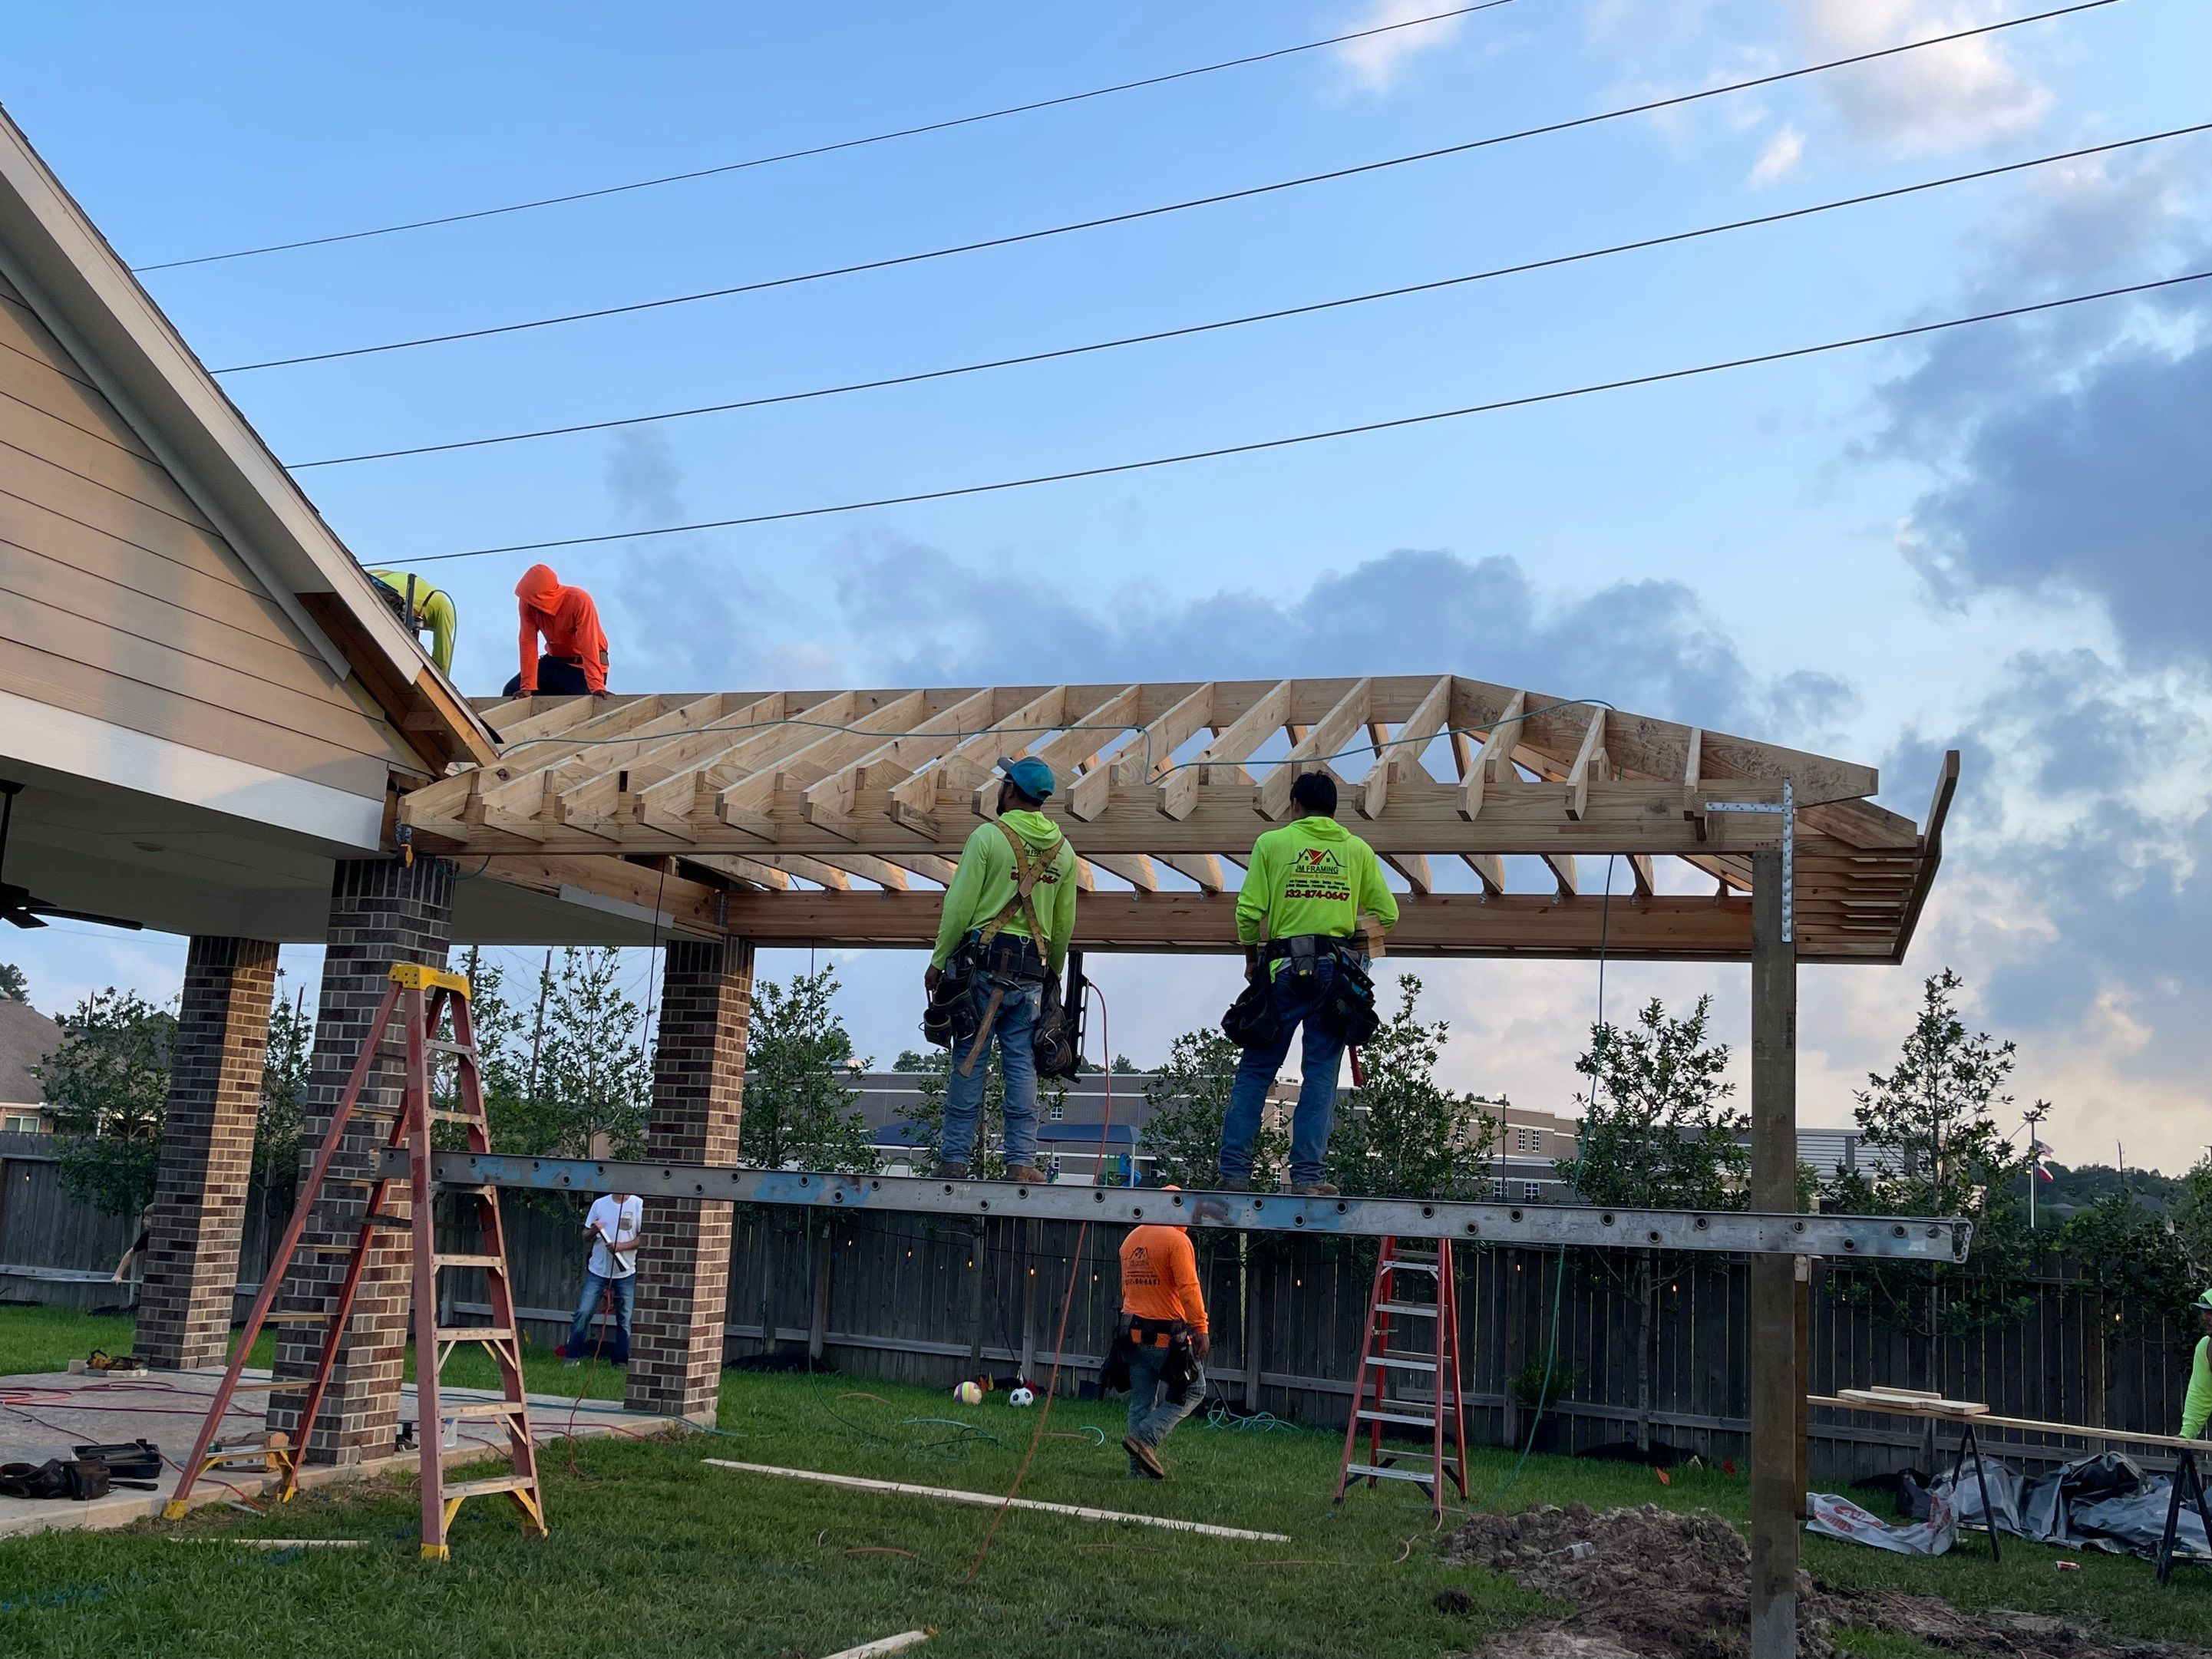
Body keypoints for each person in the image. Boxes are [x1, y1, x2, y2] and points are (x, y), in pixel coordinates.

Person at [1217, 770, 1398, 1197]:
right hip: (1333, 975)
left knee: (1257, 1071)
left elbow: (1247, 912)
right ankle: (1309, 1179)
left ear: (1294, 806)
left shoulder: (1273, 843)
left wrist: (1251, 960)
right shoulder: (1356, 850)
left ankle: (1235, 1174)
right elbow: (1387, 914)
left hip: (1281, 969)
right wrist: (1346, 934)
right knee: (1319, 1075)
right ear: (1334, 811)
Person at [925, 755, 1077, 1183]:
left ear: (1010, 789)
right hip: (1030, 976)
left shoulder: (988, 837)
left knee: (969, 1060)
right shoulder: (1064, 853)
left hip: (983, 969)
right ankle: (1021, 1163)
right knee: (1022, 1067)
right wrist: (1054, 978)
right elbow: (1063, 925)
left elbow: (959, 906)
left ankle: (954, 1160)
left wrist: (939, 961)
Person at [1114, 1190, 1209, 1479]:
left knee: (1142, 1401)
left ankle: (1137, 1471)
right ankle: (1146, 1439)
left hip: (1130, 1336)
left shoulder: (1130, 1240)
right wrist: (1201, 1328)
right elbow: (1188, 1288)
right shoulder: (1176, 1241)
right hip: (1166, 1339)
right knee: (1193, 1390)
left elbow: (1125, 1290)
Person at [505, 563, 609, 698]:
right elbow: (527, 642)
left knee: (576, 709)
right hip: (554, 663)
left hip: (582, 668)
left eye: (533, 599)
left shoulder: (579, 600)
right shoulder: (527, 603)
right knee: (511, 692)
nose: (529, 603)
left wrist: (596, 686)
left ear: (546, 595)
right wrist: (527, 686)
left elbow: (589, 644)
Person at [564, 1189, 641, 1365]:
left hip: (625, 1271)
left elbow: (642, 1238)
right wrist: (593, 1231)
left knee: (625, 1318)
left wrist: (621, 1246)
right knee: (583, 1312)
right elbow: (585, 1235)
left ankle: (621, 1361)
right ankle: (572, 1357)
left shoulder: (638, 1205)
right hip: (597, 1271)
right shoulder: (600, 1204)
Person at [368, 569, 457, 675]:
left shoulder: (425, 592)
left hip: (376, 584)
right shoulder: (446, 609)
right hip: (393, 597)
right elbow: (442, 659)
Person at [2181, 1285, 2212, 1440]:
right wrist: (2186, 1436)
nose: (2206, 1318)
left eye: (2211, 1312)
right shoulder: (2205, 1347)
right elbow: (2200, 1395)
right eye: (2205, 1312)